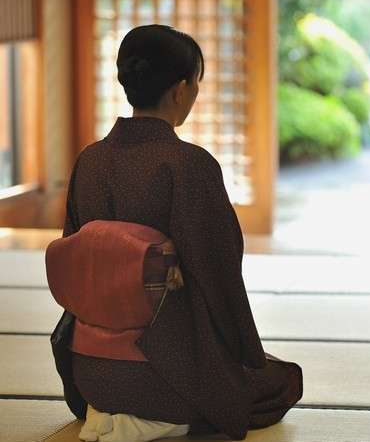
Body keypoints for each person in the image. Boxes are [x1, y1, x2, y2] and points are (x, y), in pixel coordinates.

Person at [55, 24, 303, 441]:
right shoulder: (189, 166)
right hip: (166, 371)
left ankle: (114, 413)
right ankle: (159, 419)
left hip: (90, 371)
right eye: (197, 84)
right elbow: (219, 276)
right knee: (280, 381)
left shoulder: (90, 161)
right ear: (181, 89)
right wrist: (244, 357)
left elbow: (74, 271)